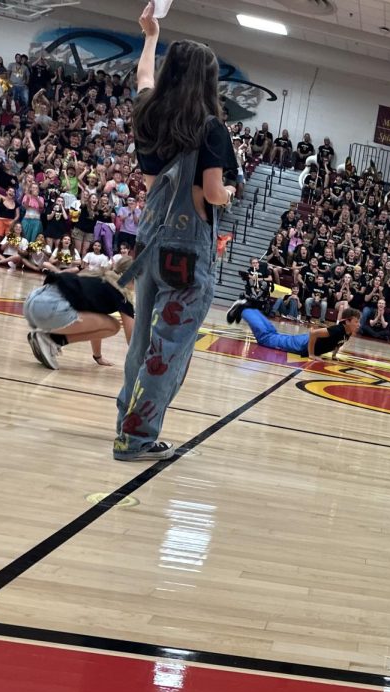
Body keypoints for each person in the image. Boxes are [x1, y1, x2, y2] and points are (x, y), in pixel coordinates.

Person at [113, 2, 237, 462]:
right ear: (208, 81)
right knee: (167, 351)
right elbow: (211, 192)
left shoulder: (149, 112)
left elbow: (143, 80)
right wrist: (229, 192)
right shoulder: (212, 129)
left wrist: (150, 37)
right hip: (188, 249)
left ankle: (128, 425)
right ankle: (136, 436)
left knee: (142, 342)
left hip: (149, 242)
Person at [25, 260, 136, 370]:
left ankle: (48, 338)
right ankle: (53, 340)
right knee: (114, 326)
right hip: (48, 308)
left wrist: (98, 356)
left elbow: (97, 323)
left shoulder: (100, 277)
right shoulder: (122, 295)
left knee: (106, 322)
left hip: (33, 302)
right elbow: (132, 339)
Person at [227, 299, 360, 360]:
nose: (358, 324)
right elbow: (313, 334)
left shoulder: (347, 332)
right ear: (347, 321)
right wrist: (312, 354)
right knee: (266, 338)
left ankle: (250, 309)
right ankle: (243, 309)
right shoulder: (337, 330)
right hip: (303, 344)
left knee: (272, 334)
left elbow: (339, 342)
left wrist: (334, 355)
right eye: (356, 321)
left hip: (303, 342)